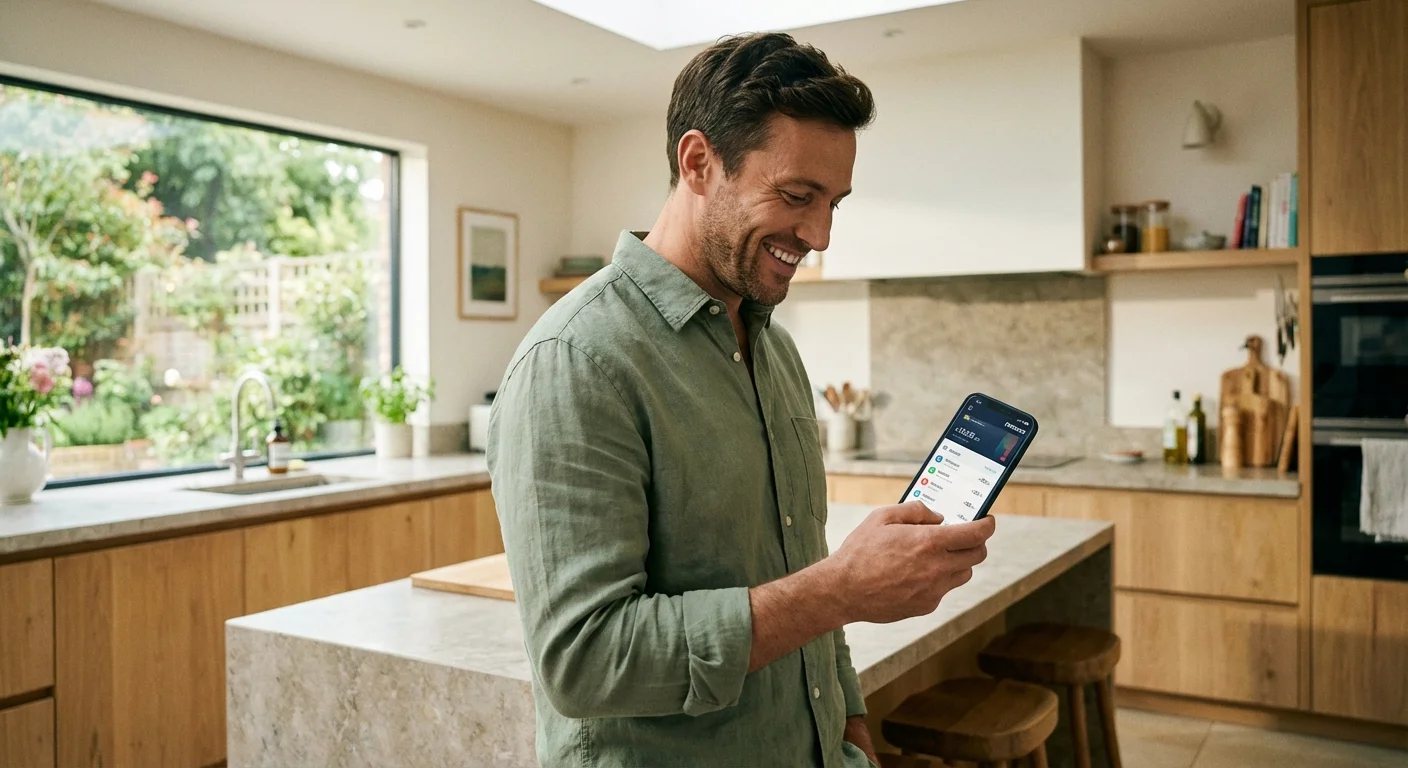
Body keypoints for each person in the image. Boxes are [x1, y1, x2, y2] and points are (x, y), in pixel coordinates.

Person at [488, 31, 996, 768]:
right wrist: (841, 589)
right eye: (796, 196)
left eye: (833, 203)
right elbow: (584, 660)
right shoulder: (575, 361)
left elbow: (797, 560)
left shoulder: (774, 349)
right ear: (699, 163)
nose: (818, 234)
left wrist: (848, 727)